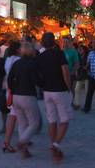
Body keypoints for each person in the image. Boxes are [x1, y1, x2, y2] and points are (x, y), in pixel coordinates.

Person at [36, 32, 72, 162]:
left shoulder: (40, 56)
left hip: (47, 91)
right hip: (60, 90)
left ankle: (53, 145)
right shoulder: (59, 53)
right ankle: (56, 144)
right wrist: (68, 86)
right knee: (64, 119)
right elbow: (65, 71)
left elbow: (36, 74)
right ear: (54, 41)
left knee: (51, 120)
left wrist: (42, 84)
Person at [7, 42, 40, 159]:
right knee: (34, 123)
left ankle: (24, 151)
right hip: (28, 95)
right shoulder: (33, 63)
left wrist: (12, 88)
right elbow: (36, 80)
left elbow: (9, 79)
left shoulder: (16, 63)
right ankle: (22, 141)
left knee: (22, 124)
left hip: (16, 95)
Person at [2, 40, 21, 153]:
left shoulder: (8, 60)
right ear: (18, 49)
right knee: (17, 115)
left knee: (13, 115)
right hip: (17, 90)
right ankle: (9, 141)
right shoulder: (18, 60)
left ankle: (8, 141)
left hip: (9, 90)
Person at [73, 45, 89, 110]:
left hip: (87, 75)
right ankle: (77, 104)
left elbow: (89, 63)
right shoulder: (78, 57)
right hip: (80, 74)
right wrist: (76, 71)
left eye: (81, 49)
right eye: (79, 49)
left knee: (87, 90)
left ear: (84, 50)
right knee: (76, 89)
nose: (79, 51)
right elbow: (76, 64)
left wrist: (87, 66)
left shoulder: (87, 56)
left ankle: (87, 104)